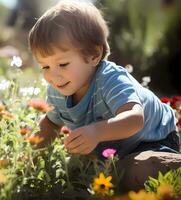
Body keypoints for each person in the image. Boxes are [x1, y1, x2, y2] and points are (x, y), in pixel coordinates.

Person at [28, 0, 180, 160]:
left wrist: (96, 132)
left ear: (94, 55)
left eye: (63, 64)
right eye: (45, 67)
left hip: (153, 138)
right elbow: (51, 124)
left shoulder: (110, 79)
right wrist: (32, 156)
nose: (53, 75)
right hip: (116, 150)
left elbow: (135, 118)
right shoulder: (57, 91)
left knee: (134, 174)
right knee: (89, 172)